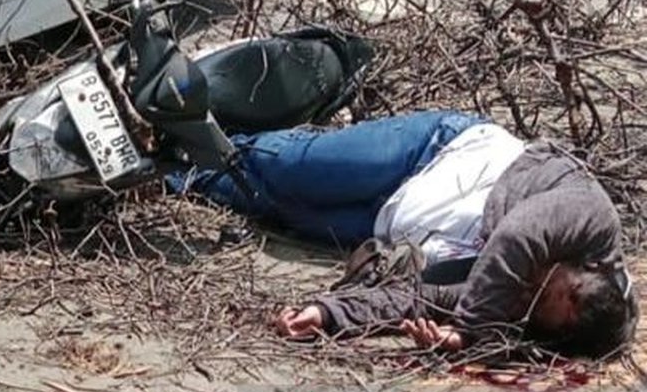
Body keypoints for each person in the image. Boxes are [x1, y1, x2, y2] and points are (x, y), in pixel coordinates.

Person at [167, 110, 637, 358]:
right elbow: (515, 239)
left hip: (387, 219)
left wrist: (326, 314)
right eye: (551, 282)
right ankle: (176, 120)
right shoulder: (591, 219)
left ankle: (166, 169)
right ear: (587, 267)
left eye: (537, 303)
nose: (532, 285)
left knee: (266, 202)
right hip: (433, 152)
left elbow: (415, 298)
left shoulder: (508, 306)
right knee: (285, 167)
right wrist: (474, 335)